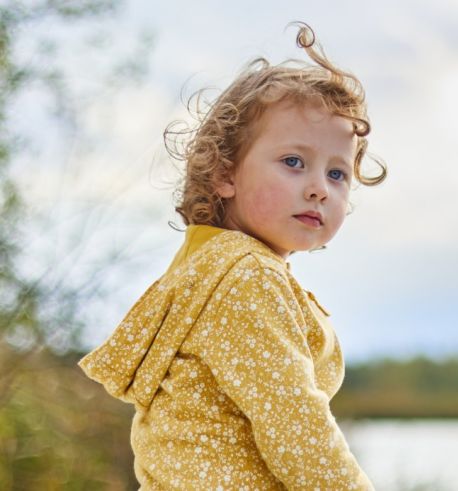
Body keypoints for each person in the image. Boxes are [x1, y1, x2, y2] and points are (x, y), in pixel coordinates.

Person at [78, 22, 384, 490]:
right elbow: (299, 433)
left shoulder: (208, 263)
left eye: (338, 173)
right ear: (225, 174)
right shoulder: (246, 277)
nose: (320, 188)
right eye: (293, 162)